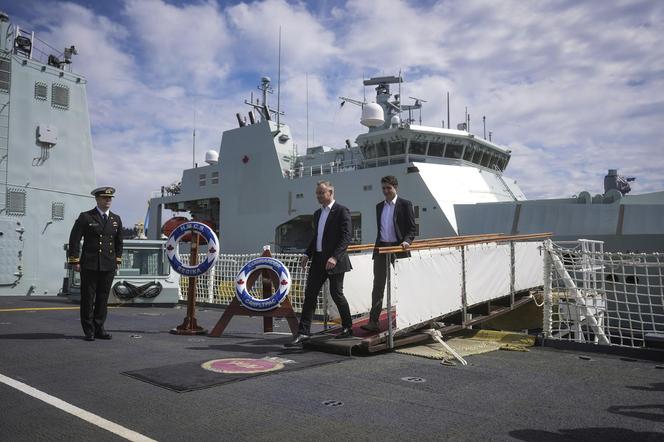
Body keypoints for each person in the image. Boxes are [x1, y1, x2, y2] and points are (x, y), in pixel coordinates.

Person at [286, 181, 354, 347]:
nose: (318, 196)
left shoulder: (342, 211)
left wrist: (335, 257)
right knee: (310, 294)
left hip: (335, 261)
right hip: (318, 260)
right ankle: (303, 332)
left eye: (321, 193)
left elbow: (346, 237)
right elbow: (317, 237)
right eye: (317, 193)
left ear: (330, 192)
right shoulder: (317, 214)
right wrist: (306, 254)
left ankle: (347, 327)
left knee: (336, 294)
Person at [361, 175, 416, 332]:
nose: (385, 191)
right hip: (381, 249)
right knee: (378, 285)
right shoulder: (379, 206)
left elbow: (412, 229)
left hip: (399, 248)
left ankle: (410, 318)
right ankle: (373, 321)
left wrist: (407, 241)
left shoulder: (405, 204)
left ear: (395, 188)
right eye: (383, 188)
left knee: (406, 285)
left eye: (388, 188)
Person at [67, 186, 123, 341]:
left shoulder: (115, 219)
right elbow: (75, 240)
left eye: (110, 198)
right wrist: (75, 260)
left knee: (103, 298)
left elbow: (119, 242)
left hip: (108, 264)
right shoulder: (86, 217)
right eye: (105, 198)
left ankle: (100, 328)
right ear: (97, 199)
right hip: (90, 264)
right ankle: (89, 330)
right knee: (88, 298)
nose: (108, 200)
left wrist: (118, 259)